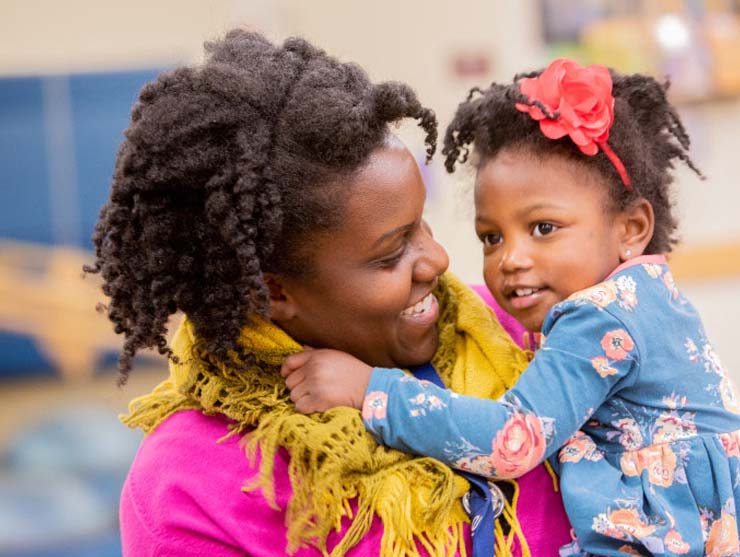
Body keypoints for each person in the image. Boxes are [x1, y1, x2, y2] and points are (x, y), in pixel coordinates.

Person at [85, 30, 571, 556]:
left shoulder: (516, 331)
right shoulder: (189, 491)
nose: (438, 260)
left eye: (421, 225)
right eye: (391, 255)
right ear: (273, 292)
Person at [282, 58, 740, 556]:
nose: (511, 259)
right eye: (491, 237)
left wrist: (371, 390)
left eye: (543, 228)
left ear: (630, 229)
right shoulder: (645, 294)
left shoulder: (600, 316)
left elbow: (511, 439)